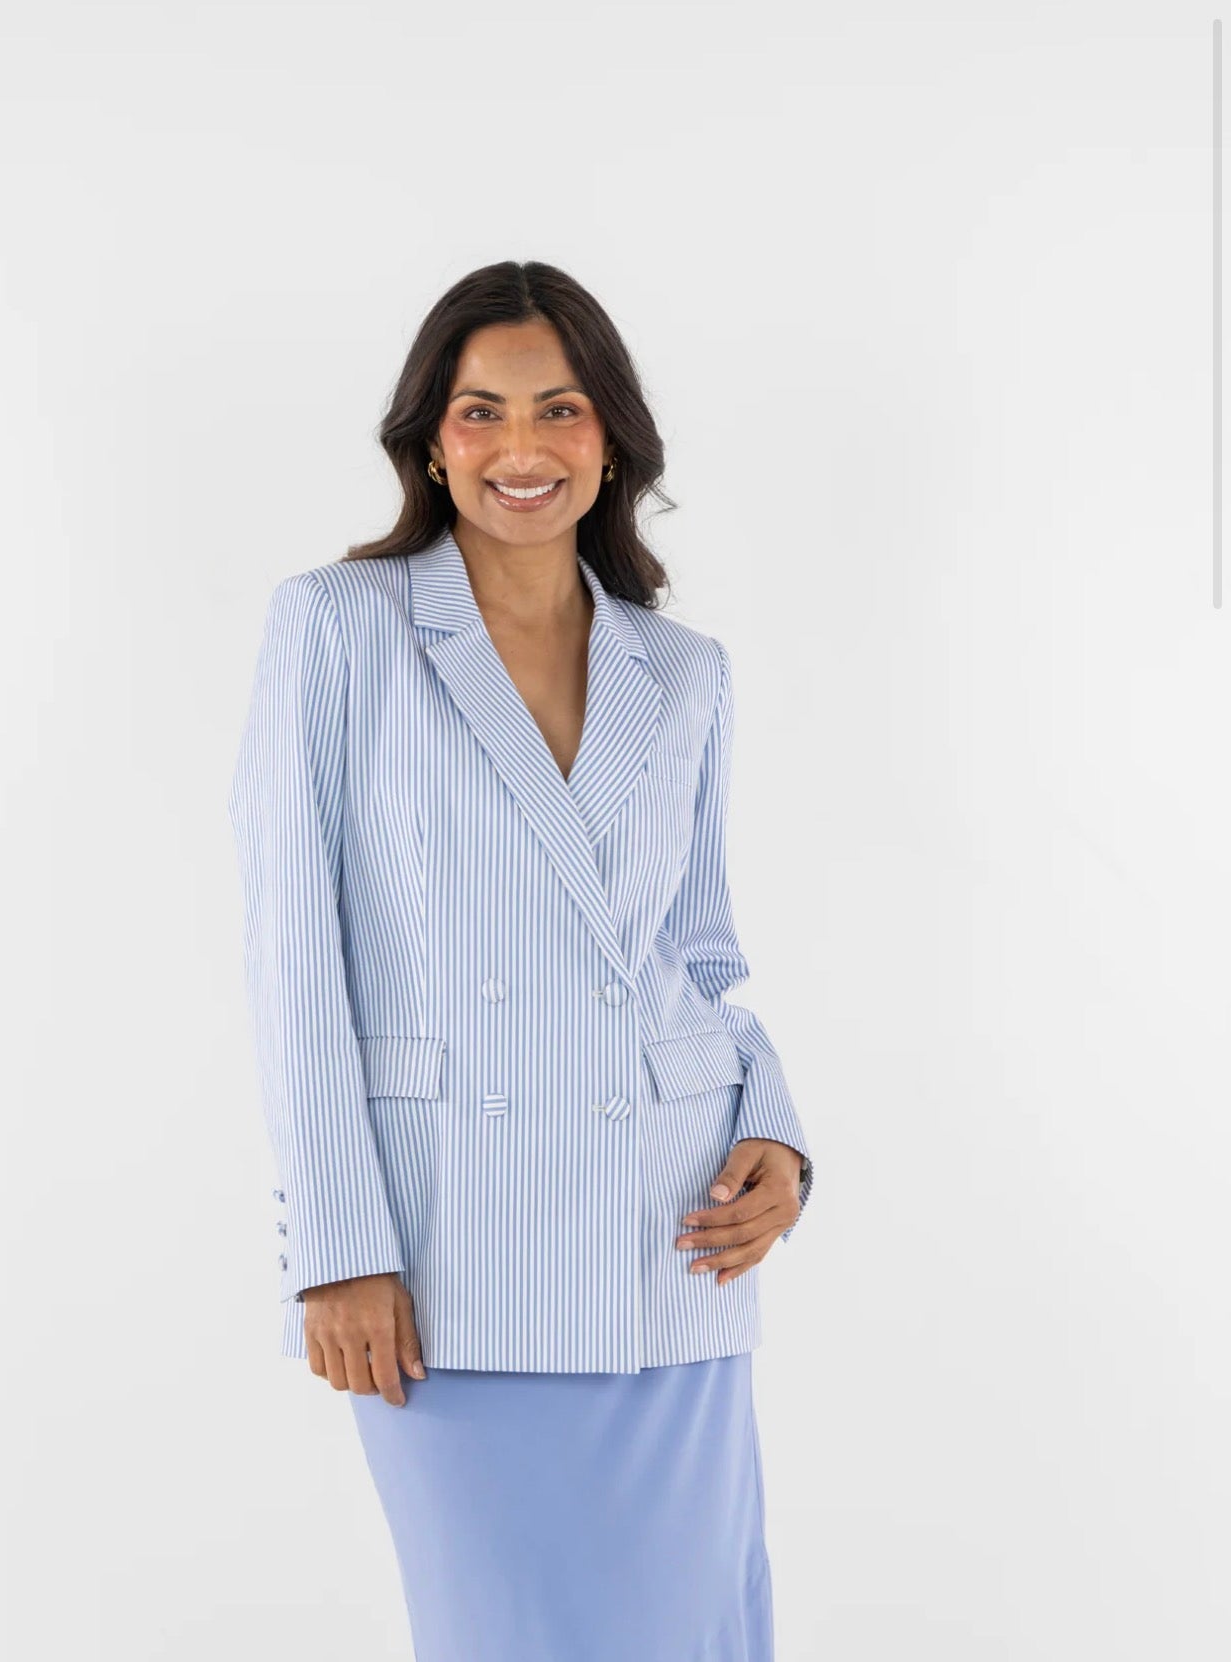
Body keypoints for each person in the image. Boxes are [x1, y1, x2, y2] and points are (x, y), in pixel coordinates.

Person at [226, 259, 815, 1661]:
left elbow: (698, 959)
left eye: (558, 408)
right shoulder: (337, 630)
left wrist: (782, 1138)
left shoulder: (684, 670)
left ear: (609, 437)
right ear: (432, 440)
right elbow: (290, 949)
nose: (521, 446)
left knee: (691, 1635)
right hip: (447, 1256)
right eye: (481, 412)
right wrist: (339, 1245)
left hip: (669, 1242)